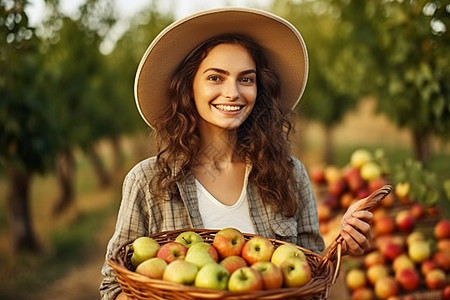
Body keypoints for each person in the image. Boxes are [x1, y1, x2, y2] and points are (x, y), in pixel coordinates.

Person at [100, 7, 373, 300]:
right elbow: (112, 286)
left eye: (246, 79)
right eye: (216, 78)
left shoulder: (289, 175)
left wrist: (340, 245)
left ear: (259, 89)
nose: (233, 92)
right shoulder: (148, 180)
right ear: (188, 87)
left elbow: (313, 282)